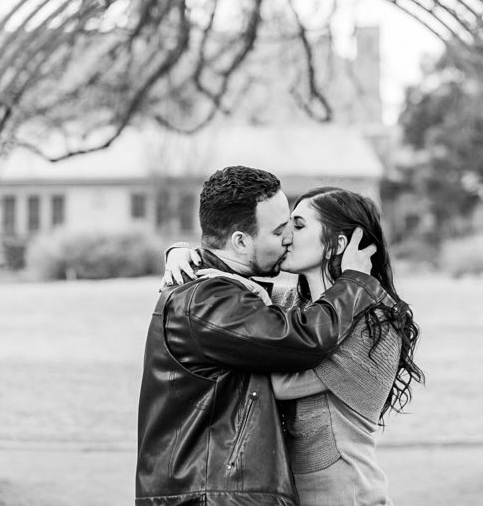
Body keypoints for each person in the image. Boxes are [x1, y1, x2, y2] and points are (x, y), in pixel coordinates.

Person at [135, 166, 389, 506]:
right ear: (240, 241)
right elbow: (301, 340)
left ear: (337, 243)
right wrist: (354, 281)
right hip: (212, 495)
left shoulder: (370, 321)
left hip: (346, 494)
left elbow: (285, 349)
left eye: (296, 226)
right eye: (282, 229)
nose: (288, 239)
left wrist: (188, 254)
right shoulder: (211, 301)